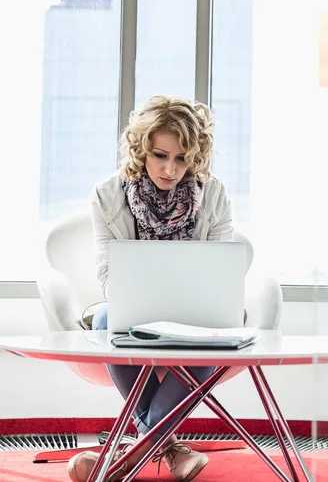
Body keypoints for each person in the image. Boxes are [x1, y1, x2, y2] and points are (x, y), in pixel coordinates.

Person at [68, 95, 235, 482]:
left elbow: (223, 272)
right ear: (141, 149)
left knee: (219, 328)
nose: (170, 168)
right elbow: (108, 271)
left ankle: (128, 455)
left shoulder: (214, 194)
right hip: (133, 310)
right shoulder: (107, 195)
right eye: (161, 155)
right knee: (106, 317)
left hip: (196, 312)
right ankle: (167, 446)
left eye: (182, 159)